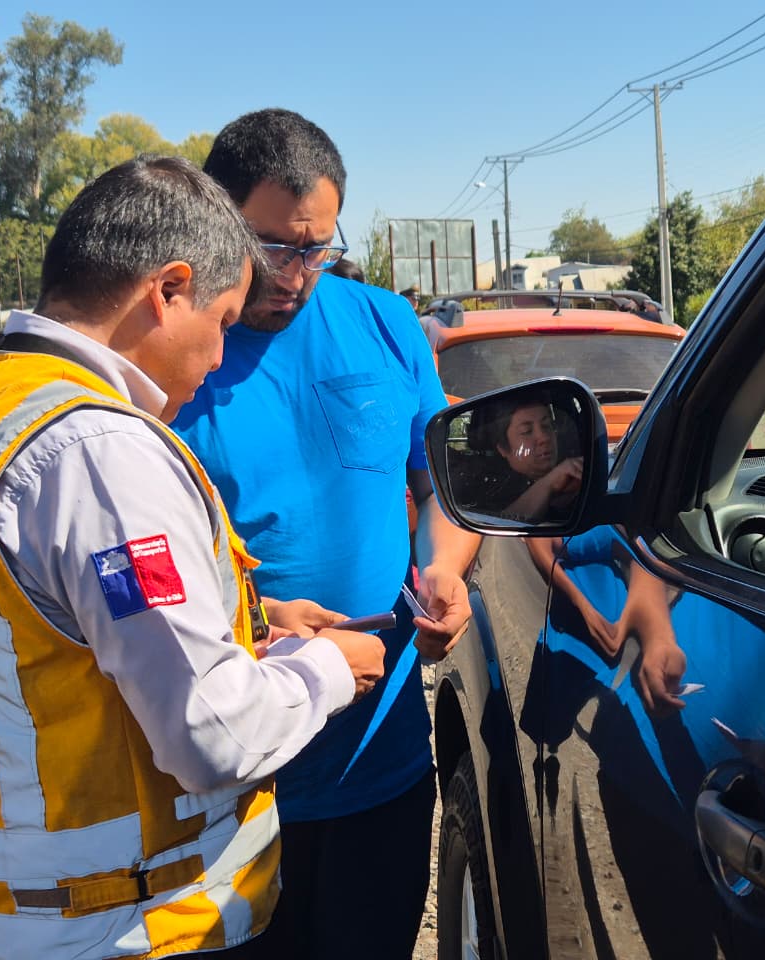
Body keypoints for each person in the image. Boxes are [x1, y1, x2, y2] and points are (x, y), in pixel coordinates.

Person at [0, 156, 386, 960]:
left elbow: (62, 626)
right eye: (223, 321)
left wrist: (251, 622)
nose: (221, 358)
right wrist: (332, 668)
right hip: (133, 925)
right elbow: (212, 737)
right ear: (167, 290)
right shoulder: (99, 452)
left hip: (26, 916)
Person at [173, 108, 480, 960]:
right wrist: (256, 617)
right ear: (215, 217)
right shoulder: (177, 352)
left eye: (317, 248)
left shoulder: (384, 324)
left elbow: (442, 486)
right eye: (274, 247)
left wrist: (446, 571)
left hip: (378, 765)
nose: (297, 274)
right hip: (231, 791)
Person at [455, 389, 584, 522]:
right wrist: (548, 484)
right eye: (527, 431)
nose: (544, 437)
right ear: (502, 448)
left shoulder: (572, 472)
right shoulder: (491, 488)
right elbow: (500, 526)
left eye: (546, 425)